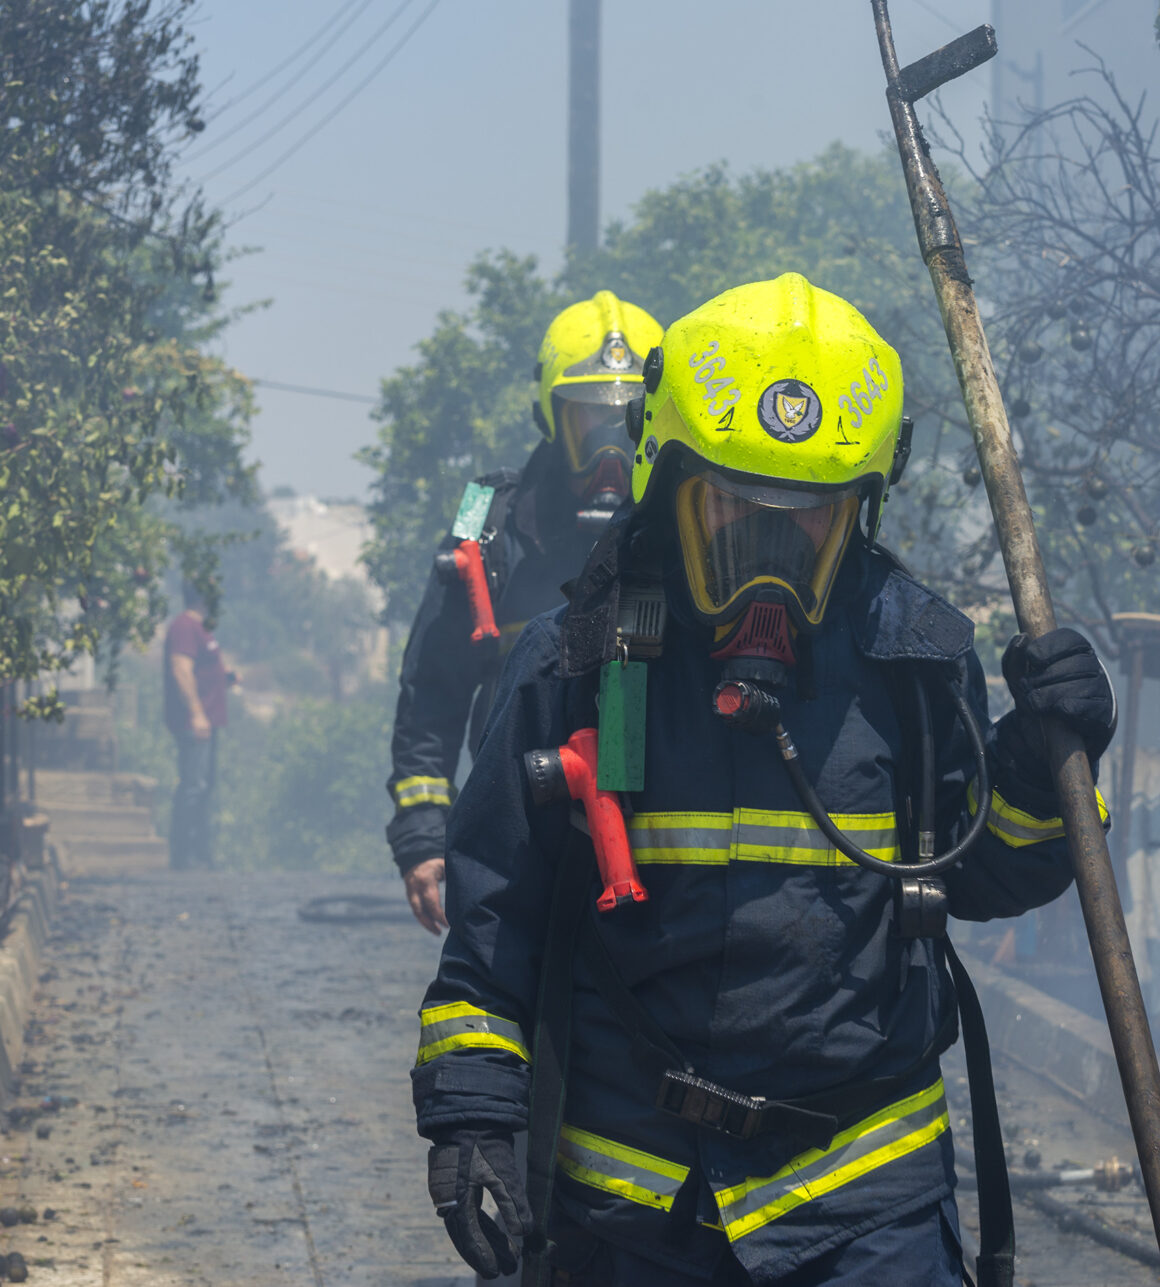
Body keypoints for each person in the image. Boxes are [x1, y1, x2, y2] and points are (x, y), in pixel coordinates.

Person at [409, 275, 1117, 1285]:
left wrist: (1051, 760)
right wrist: (472, 1111)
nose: (767, 561)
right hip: (636, 1206)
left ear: (860, 513)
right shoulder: (572, 663)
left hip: (865, 1198)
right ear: (668, 483)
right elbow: (494, 932)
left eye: (807, 520)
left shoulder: (914, 662)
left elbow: (985, 872)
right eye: (734, 510)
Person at [386, 291, 664, 932]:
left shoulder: (684, 522)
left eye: (623, 425)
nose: (609, 458)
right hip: (512, 834)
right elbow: (431, 692)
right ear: (551, 416)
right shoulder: (482, 513)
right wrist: (423, 839)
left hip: (656, 841)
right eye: (588, 426)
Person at [163, 584, 229, 870]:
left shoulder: (201, 628)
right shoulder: (184, 626)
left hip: (207, 720)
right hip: (195, 721)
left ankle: (201, 853)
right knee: (193, 785)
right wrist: (196, 712)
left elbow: (203, 668)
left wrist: (227, 677)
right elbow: (181, 668)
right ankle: (183, 855)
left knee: (203, 786)